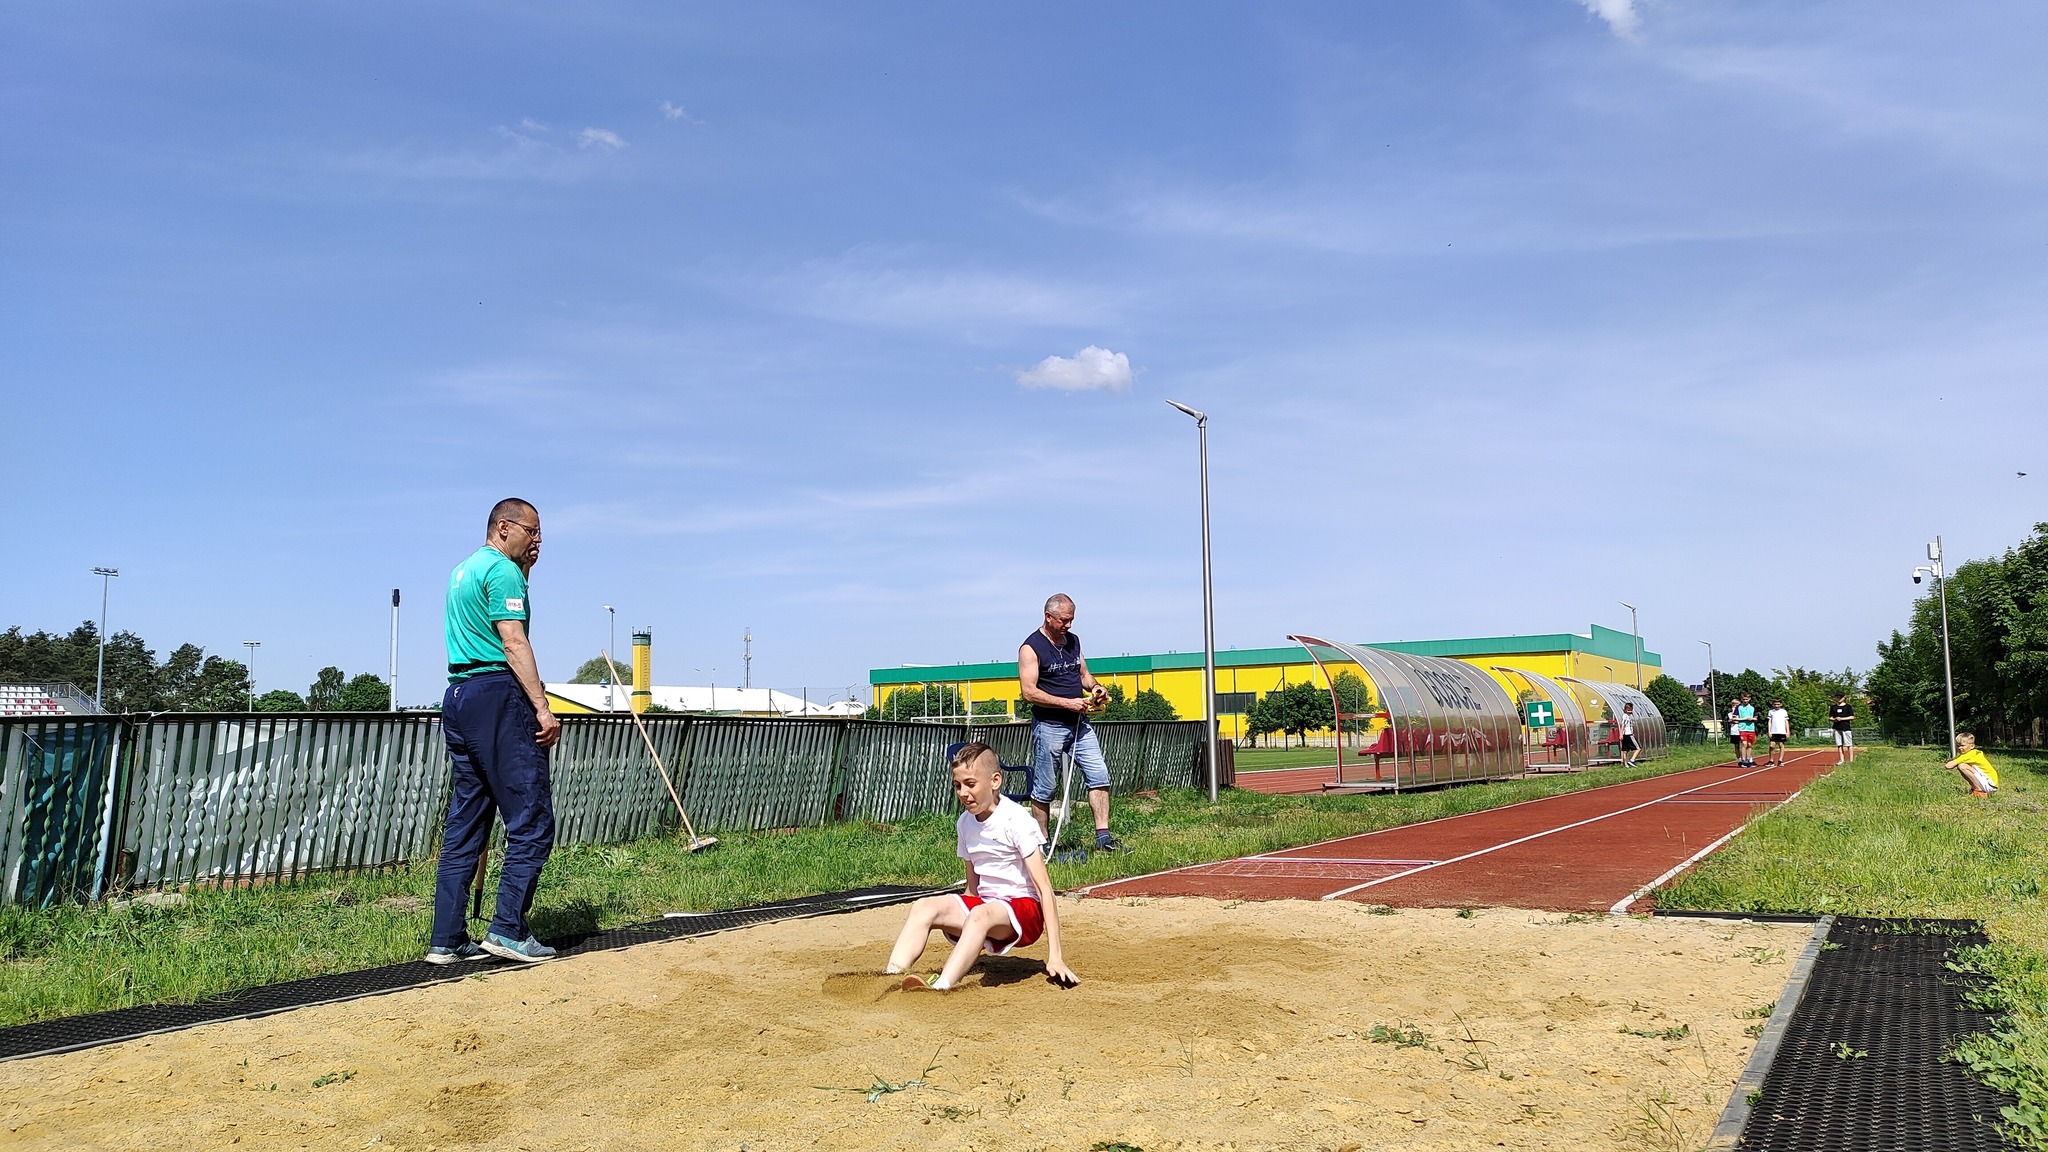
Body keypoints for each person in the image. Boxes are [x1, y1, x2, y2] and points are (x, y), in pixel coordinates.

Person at [427, 498, 563, 965]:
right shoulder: (502, 571)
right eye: (532, 531)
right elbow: (512, 639)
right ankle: (507, 929)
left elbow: (491, 623)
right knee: (531, 818)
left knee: (467, 821)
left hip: (459, 696)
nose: (538, 540)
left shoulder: (463, 571)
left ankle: (446, 938)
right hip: (498, 695)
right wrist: (541, 708)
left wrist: (525, 572)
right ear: (504, 528)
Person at [886, 743, 1077, 991]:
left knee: (980, 914)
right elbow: (972, 891)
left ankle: (941, 987)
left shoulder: (1017, 820)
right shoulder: (964, 823)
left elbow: (1045, 890)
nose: (963, 793)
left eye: (971, 784)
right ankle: (889, 976)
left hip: (1025, 911)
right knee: (925, 906)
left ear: (995, 781)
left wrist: (1055, 955)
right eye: (957, 785)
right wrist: (972, 939)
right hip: (987, 908)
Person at [1017, 594, 1121, 852]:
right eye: (1064, 620)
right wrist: (1068, 703)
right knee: (1046, 787)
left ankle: (1103, 838)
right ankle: (1041, 844)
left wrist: (1096, 688)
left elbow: (1084, 674)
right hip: (1049, 725)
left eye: (1072, 619)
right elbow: (1028, 692)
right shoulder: (1030, 648)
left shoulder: (1073, 642)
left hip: (1080, 724)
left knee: (1099, 774)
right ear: (1048, 617)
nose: (1069, 625)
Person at [1829, 693, 1857, 764]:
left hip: (1846, 727)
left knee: (1848, 744)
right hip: (1836, 728)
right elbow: (1830, 717)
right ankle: (1841, 759)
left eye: (1840, 697)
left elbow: (1852, 717)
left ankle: (1851, 760)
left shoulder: (1848, 707)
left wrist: (1842, 719)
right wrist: (1835, 719)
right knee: (1839, 744)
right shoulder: (1833, 707)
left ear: (1844, 698)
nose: (1839, 699)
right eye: (1837, 697)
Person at [1733, 694, 1758, 768]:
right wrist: (1744, 719)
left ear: (1749, 699)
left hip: (1751, 729)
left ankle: (1748, 759)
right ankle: (1743, 760)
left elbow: (1756, 718)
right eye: (1744, 699)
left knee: (1749, 744)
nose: (1745, 701)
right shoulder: (1738, 707)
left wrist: (1751, 719)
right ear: (1741, 699)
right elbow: (1734, 718)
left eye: (1747, 699)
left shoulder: (1752, 708)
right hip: (1742, 728)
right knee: (1744, 744)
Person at [1766, 699, 1791, 767]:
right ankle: (1771, 760)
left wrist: (1787, 731)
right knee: (1772, 746)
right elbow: (1769, 722)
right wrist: (1769, 731)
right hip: (1773, 731)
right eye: (1775, 704)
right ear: (1773, 704)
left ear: (1781, 704)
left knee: (1781, 745)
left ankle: (1780, 760)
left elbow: (1786, 721)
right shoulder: (1771, 711)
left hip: (1782, 731)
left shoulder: (1784, 712)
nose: (1776, 706)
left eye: (1778, 704)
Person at [1618, 702, 1640, 767]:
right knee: (1638, 748)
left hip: (1625, 735)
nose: (1630, 711)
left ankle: (1626, 765)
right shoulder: (1625, 717)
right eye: (1628, 710)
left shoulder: (1628, 716)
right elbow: (1622, 725)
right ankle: (1632, 760)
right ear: (1625, 710)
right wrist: (1621, 734)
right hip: (1628, 735)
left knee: (1625, 750)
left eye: (1631, 710)